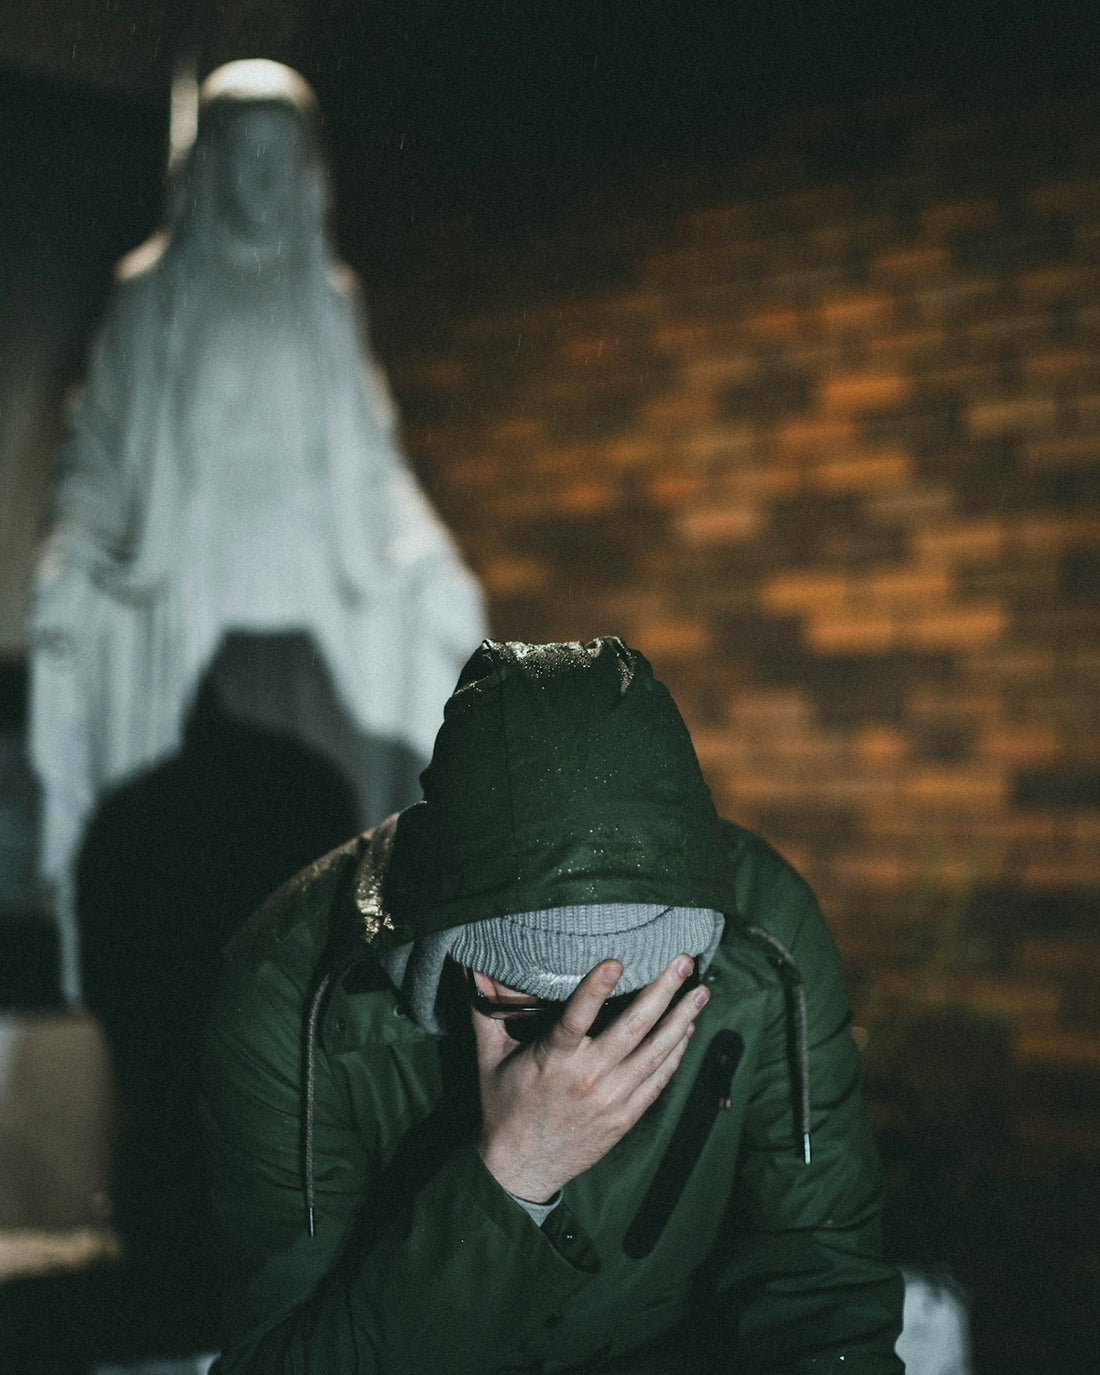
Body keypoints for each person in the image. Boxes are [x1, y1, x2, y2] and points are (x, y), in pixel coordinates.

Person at [200, 636, 904, 1373]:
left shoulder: (767, 938)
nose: (582, 1051)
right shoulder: (287, 989)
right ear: (445, 947)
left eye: (632, 998)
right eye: (531, 1000)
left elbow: (823, 1293)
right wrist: (510, 1177)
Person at [27, 59, 484, 1000]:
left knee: (313, 821)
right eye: (247, 155)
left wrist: (431, 556)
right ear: (212, 166)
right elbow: (100, 450)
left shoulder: (328, 300)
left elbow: (374, 466)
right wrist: (74, 546)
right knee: (198, 828)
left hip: (312, 598)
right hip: (195, 592)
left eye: (285, 156)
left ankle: (317, 997)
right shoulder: (152, 295)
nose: (265, 178)